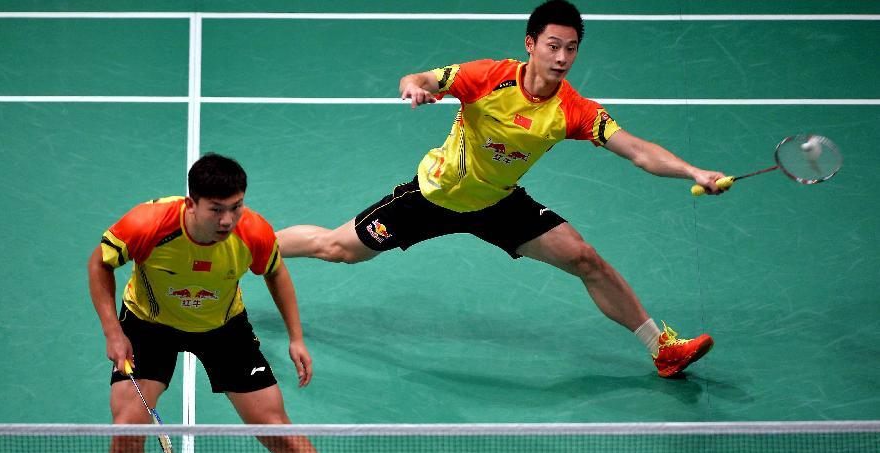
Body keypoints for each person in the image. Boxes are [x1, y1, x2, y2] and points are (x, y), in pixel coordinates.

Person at [277, 0, 723, 378]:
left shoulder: (573, 110)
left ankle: (660, 349)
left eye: (571, 48)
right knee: (335, 248)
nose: (562, 57)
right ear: (531, 45)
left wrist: (693, 172)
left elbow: (638, 151)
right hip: (433, 197)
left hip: (498, 202)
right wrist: (414, 90)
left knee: (585, 259)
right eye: (553, 45)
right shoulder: (488, 77)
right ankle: (251, 245)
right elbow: (420, 79)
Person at [88, 153, 392, 453]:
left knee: (279, 431)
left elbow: (277, 273)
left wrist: (296, 337)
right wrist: (113, 332)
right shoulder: (146, 225)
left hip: (223, 329)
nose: (228, 219)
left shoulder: (252, 231)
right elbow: (99, 264)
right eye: (217, 209)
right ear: (191, 204)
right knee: (124, 436)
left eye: (236, 206)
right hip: (149, 327)